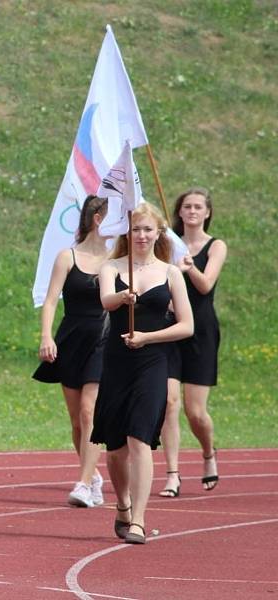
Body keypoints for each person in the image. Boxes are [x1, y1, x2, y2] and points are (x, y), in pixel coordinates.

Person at [90, 202, 193, 544]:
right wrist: (122, 296)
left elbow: (186, 326)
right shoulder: (112, 267)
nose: (142, 235)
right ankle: (122, 503)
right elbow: (106, 300)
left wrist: (149, 337)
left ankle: (138, 520)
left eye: (148, 229)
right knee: (116, 447)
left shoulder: (171, 273)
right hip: (117, 362)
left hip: (153, 363)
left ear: (159, 233)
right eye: (136, 229)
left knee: (140, 439)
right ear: (127, 233)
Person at [33, 195, 110, 508]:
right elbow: (51, 300)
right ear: (97, 218)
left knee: (91, 412)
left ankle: (82, 482)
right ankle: (92, 477)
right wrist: (46, 336)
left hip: (105, 340)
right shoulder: (67, 256)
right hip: (72, 338)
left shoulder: (119, 259)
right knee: (77, 420)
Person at [158, 187, 227, 497]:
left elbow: (205, 285)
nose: (193, 211)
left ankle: (208, 453)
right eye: (187, 206)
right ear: (180, 211)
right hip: (170, 328)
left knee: (194, 411)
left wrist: (190, 267)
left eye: (199, 207)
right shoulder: (168, 242)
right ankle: (172, 474)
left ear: (207, 212)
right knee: (169, 402)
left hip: (200, 330)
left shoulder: (215, 246)